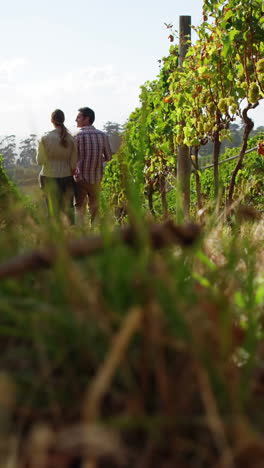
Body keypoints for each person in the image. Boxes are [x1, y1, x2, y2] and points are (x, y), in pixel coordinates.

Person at [37, 109, 77, 224]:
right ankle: (72, 236)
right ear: (63, 120)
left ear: (52, 120)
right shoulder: (71, 139)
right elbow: (74, 163)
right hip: (67, 176)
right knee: (69, 210)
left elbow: (40, 161)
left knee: (52, 211)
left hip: (48, 176)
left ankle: (55, 237)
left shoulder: (44, 138)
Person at [74, 107, 112, 224]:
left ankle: (81, 233)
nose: (76, 119)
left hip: (80, 179)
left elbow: (73, 158)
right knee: (95, 208)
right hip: (96, 178)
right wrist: (98, 159)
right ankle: (94, 231)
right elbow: (109, 157)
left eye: (79, 117)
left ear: (87, 118)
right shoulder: (102, 135)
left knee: (79, 208)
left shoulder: (77, 136)